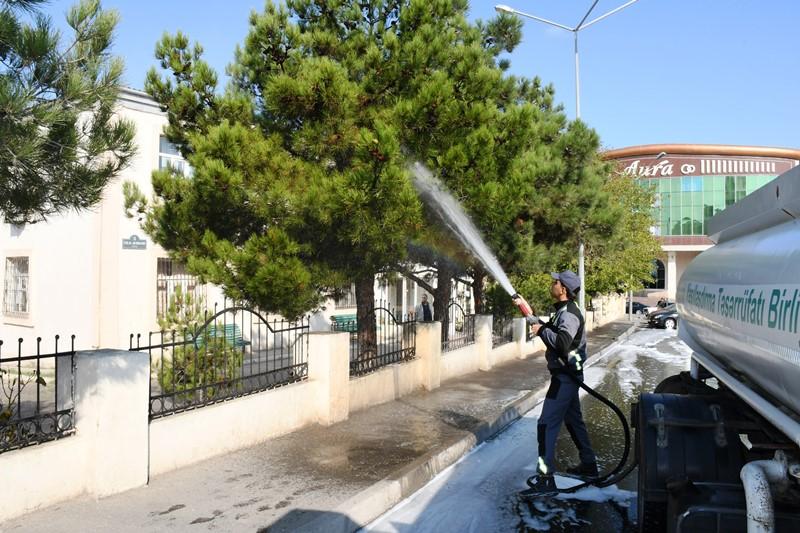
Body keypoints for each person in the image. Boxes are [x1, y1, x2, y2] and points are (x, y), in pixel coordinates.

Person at [514, 270, 598, 497]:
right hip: (567, 376)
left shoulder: (569, 313)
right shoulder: (564, 310)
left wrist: (541, 330)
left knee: (545, 425)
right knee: (574, 421)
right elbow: (552, 330)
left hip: (565, 378)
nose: (552, 284)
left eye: (556, 282)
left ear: (564, 289)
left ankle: (546, 479)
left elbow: (562, 343)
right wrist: (528, 312)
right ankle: (589, 465)